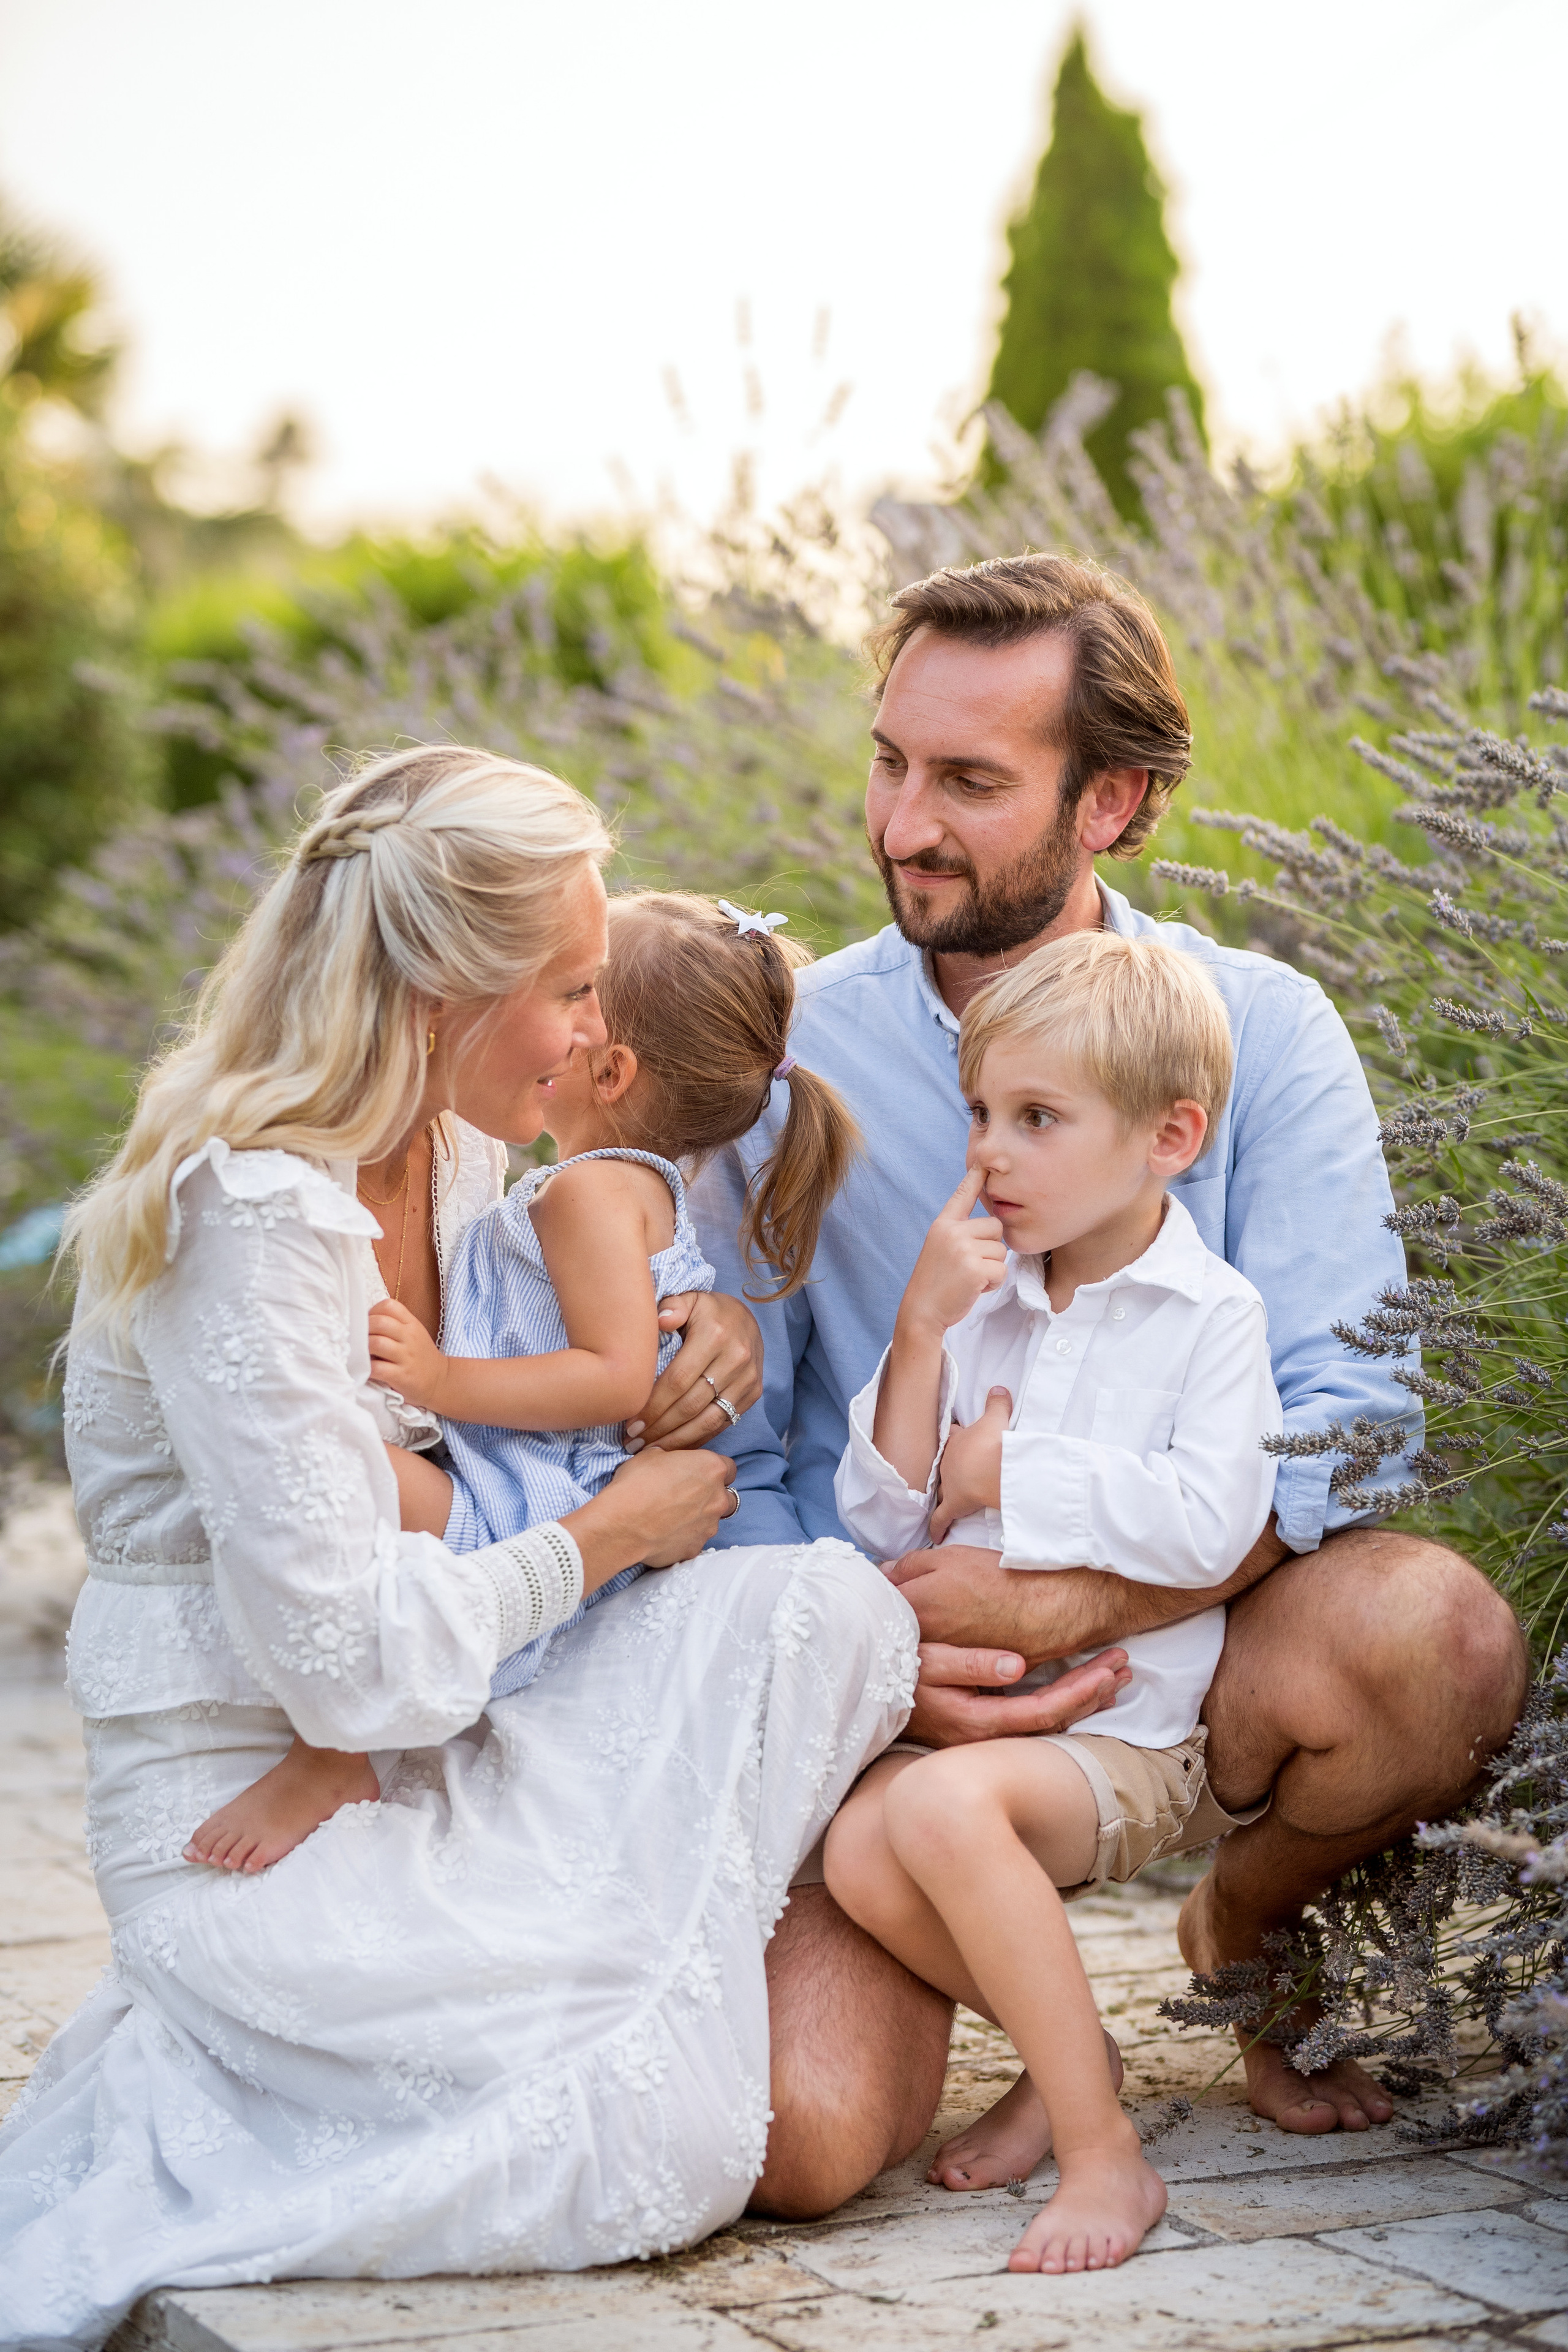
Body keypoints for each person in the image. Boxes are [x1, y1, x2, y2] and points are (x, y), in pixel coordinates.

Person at [0, 750, 918, 2352]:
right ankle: (275, 2049)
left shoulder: (463, 1138)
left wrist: (688, 1338)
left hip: (445, 1704)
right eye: (565, 989)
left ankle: (705, 1928)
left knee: (822, 1604)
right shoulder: (256, 1216)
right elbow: (348, 1662)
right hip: (261, 1806)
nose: (588, 1036)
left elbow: (533, 1378)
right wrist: (605, 1537)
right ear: (440, 987)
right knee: (659, 2136)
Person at [690, 552, 1530, 2218]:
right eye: (891, 760)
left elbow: (1349, 1427)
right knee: (800, 2145)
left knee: (1439, 1638)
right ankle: (1066, 2043)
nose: (904, 823)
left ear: (1116, 802)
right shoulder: (779, 1060)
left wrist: (1075, 1599)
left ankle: (1242, 1928)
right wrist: (882, 1660)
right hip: (896, 1674)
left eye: (972, 783)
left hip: (1201, 1659)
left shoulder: (1261, 1034)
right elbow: (735, 1452)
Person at [183, 888, 861, 1875]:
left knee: (360, 1477)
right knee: (360, 1479)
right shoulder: (593, 1184)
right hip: (544, 1468)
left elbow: (616, 1376)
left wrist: (442, 1379)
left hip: (557, 1481)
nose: (566, 1019)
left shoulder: (586, 1191)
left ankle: (334, 1751)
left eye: (584, 995)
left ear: (612, 1069)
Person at [824, 930, 1280, 2272]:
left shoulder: (1208, 1317)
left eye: (1034, 1119)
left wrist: (1009, 1465)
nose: (988, 1156)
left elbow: (1214, 1522)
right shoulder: (981, 1307)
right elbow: (880, 1518)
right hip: (1001, 1729)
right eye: (977, 1115)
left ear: (1166, 1136)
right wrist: (915, 1339)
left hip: (1128, 1740)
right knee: (860, 1852)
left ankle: (1102, 2159)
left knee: (942, 1808)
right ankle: (1064, 2067)